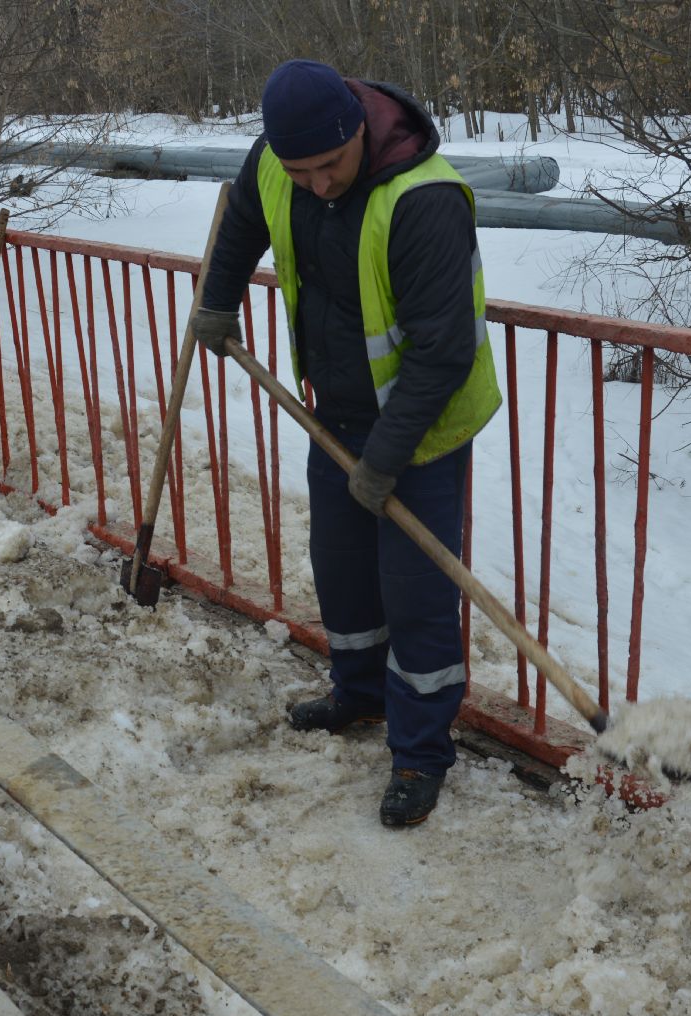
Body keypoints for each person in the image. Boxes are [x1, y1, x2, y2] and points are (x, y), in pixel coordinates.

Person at [192, 60, 501, 828]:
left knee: (417, 595)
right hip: (334, 410)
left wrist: (385, 460)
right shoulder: (277, 165)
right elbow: (240, 225)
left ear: (358, 130)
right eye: (301, 171)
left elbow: (441, 353)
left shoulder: (422, 199)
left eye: (330, 165)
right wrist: (216, 302)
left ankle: (420, 752)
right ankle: (359, 697)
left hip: (423, 428)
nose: (317, 184)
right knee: (342, 573)